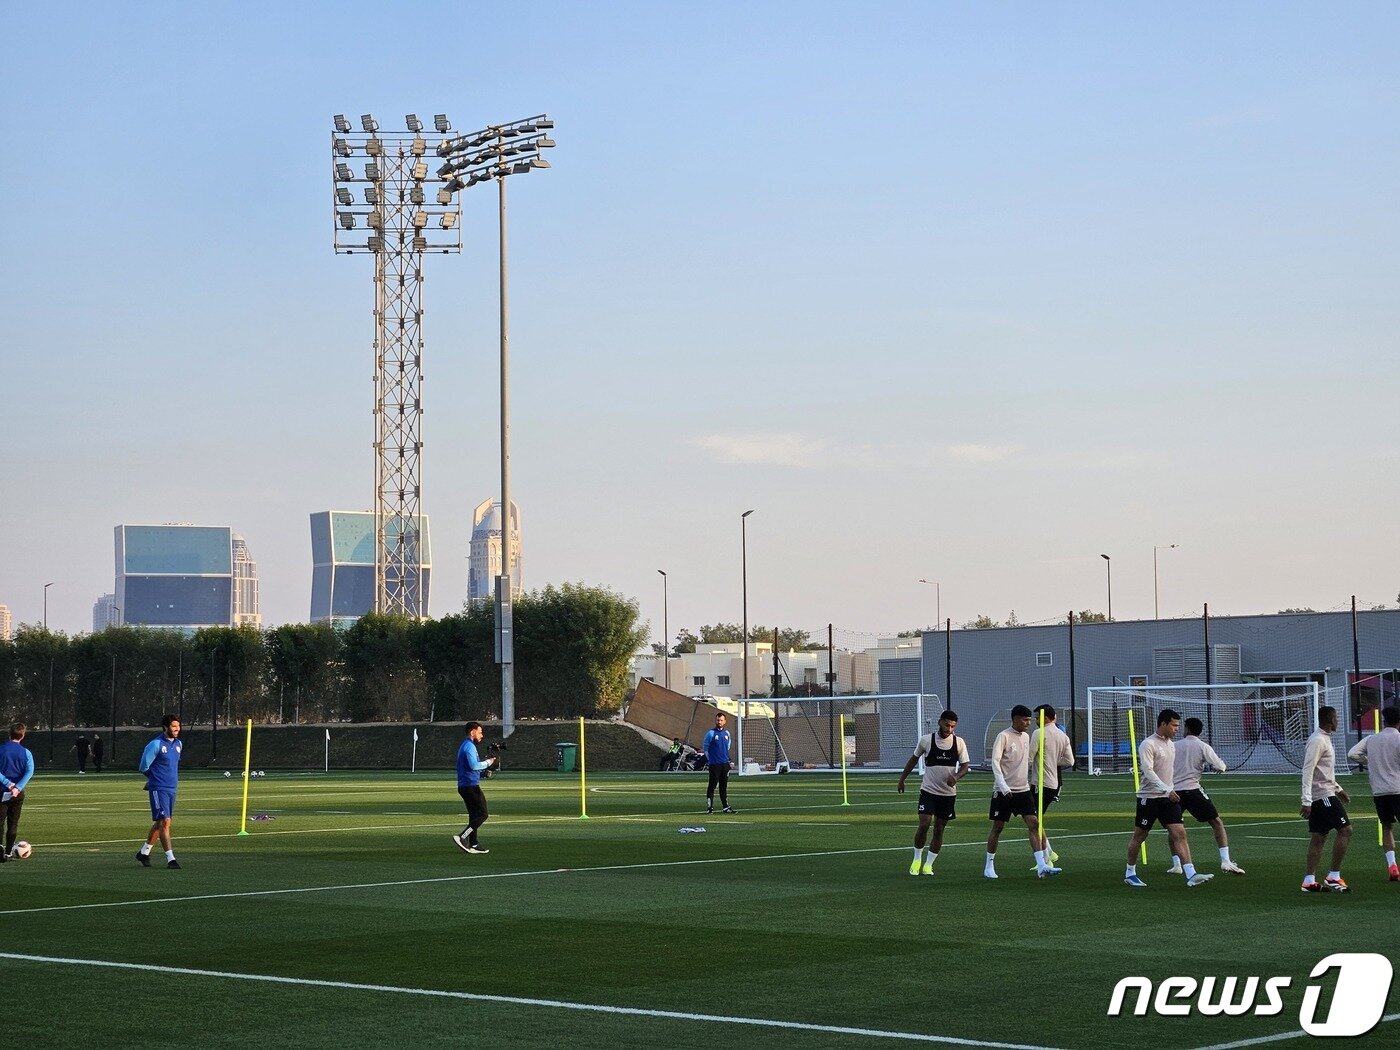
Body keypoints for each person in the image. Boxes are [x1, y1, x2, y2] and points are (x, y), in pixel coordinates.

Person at [1124, 709, 1213, 889]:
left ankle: (1190, 873)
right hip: (1148, 798)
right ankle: (1130, 873)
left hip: (1168, 798)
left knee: (1179, 833)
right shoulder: (1148, 744)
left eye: (1178, 726)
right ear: (1163, 724)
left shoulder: (1171, 744)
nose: (1176, 729)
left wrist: (1171, 788)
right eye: (1173, 725)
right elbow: (1148, 772)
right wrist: (1166, 788)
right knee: (1140, 836)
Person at [985, 704, 1060, 879]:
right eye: (1025, 720)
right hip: (1003, 790)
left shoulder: (1026, 737)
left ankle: (1042, 865)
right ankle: (989, 865)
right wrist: (1002, 786)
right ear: (1016, 719)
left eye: (1029, 720)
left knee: (1034, 824)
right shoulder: (1003, 736)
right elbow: (995, 762)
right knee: (998, 827)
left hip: (1023, 789)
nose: (1028, 723)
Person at [1167, 717, 1246, 876]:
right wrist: (1218, 768)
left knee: (1173, 829)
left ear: (1187, 729)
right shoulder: (1203, 746)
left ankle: (1176, 864)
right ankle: (1225, 861)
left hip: (1174, 792)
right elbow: (1221, 766)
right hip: (1193, 790)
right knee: (1216, 823)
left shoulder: (1174, 746)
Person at [896, 709, 970, 875]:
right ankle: (916, 860)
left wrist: (956, 777)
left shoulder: (959, 743)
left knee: (939, 829)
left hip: (948, 794)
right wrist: (902, 779)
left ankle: (928, 865)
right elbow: (913, 760)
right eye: (946, 724)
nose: (949, 729)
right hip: (928, 791)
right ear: (940, 722)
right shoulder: (926, 741)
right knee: (924, 825)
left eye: (952, 726)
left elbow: (965, 766)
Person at [1301, 704, 1352, 892]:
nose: (1338, 721)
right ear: (1330, 720)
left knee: (1319, 837)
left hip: (1326, 793)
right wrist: (1306, 801)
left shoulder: (1324, 739)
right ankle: (1333, 876)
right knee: (1346, 830)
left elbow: (1324, 772)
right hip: (1322, 796)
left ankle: (1309, 881)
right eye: (1336, 718)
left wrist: (1339, 789)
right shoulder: (1317, 741)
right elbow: (1308, 770)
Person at [1346, 705, 1400, 882]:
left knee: (1386, 827)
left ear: (1384, 721)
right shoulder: (1398, 739)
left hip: (1379, 791)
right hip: (1398, 789)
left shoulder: (1371, 739)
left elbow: (1353, 753)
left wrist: (1370, 763)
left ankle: (1392, 865)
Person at [1028, 704, 1074, 867]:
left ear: (1045, 717)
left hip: (1040, 784)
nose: (1034, 721)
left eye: (1037, 717)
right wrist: (1053, 762)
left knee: (1032, 822)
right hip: (1053, 783)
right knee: (1036, 820)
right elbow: (1070, 761)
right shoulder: (1062, 735)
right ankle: (1049, 852)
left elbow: (1028, 757)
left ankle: (1045, 860)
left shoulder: (1039, 733)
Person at [137, 716, 183, 869]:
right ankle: (171, 859)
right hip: (159, 788)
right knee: (165, 822)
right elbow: (143, 766)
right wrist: (153, 779)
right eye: (173, 726)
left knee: (161, 822)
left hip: (172, 788)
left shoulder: (179, 744)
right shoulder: (155, 744)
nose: (177, 729)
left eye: (178, 726)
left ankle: (144, 852)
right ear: (165, 727)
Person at [453, 722, 498, 855]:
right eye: (480, 732)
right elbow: (473, 765)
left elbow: (469, 768)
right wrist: (488, 763)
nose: (482, 735)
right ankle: (462, 836)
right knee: (483, 814)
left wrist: (484, 773)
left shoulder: (465, 745)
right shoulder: (469, 746)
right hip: (470, 787)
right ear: (472, 732)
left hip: (465, 785)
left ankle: (474, 843)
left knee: (474, 815)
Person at [0, 723, 35, 863]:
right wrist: (18, 787)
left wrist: (8, 784)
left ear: (9, 734)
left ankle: (0, 851)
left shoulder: (1, 750)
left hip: (1, 791)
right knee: (13, 823)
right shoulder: (26, 753)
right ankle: (8, 852)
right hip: (17, 794)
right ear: (23, 735)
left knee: (0, 822)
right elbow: (29, 772)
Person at [703, 711, 734, 814]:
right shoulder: (711, 733)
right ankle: (710, 807)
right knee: (712, 785)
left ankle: (725, 807)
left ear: (724, 721)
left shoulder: (727, 733)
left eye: (721, 720)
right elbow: (706, 748)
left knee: (723, 786)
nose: (719, 722)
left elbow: (728, 746)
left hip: (725, 764)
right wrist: (711, 759)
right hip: (714, 764)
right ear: (715, 721)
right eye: (717, 720)